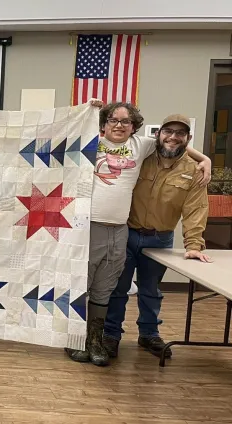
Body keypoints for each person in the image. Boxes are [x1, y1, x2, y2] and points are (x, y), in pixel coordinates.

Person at [65, 102, 211, 366]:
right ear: (103, 124)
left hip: (125, 230)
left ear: (135, 126)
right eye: (113, 120)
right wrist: (83, 109)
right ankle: (81, 339)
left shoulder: (140, 146)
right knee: (84, 285)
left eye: (126, 121)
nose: (119, 125)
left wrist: (204, 159)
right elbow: (62, 136)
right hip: (94, 227)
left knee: (113, 288)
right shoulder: (89, 142)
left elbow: (174, 147)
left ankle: (103, 340)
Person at [103, 114, 212, 359]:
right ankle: (111, 335)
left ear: (188, 138)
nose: (173, 137)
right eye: (168, 131)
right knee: (118, 288)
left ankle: (149, 334)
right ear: (158, 135)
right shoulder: (140, 158)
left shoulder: (194, 171)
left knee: (150, 290)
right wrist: (206, 156)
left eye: (180, 133)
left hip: (160, 239)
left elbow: (195, 210)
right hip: (127, 234)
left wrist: (194, 244)